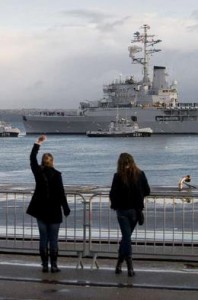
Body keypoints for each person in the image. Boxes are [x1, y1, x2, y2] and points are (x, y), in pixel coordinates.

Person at [26, 135, 70, 273]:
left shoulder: (38, 172)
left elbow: (32, 159)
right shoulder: (57, 175)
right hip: (54, 211)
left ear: (43, 162)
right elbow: (61, 193)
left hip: (41, 211)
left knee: (43, 238)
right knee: (54, 239)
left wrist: (38, 143)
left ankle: (45, 265)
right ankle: (54, 265)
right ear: (52, 162)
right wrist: (66, 207)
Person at [109, 153, 150, 277]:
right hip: (135, 211)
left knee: (126, 238)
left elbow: (112, 193)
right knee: (127, 237)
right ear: (132, 161)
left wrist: (116, 204)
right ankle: (128, 266)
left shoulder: (117, 176)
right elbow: (147, 190)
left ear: (120, 163)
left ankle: (121, 263)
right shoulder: (140, 174)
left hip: (121, 211)